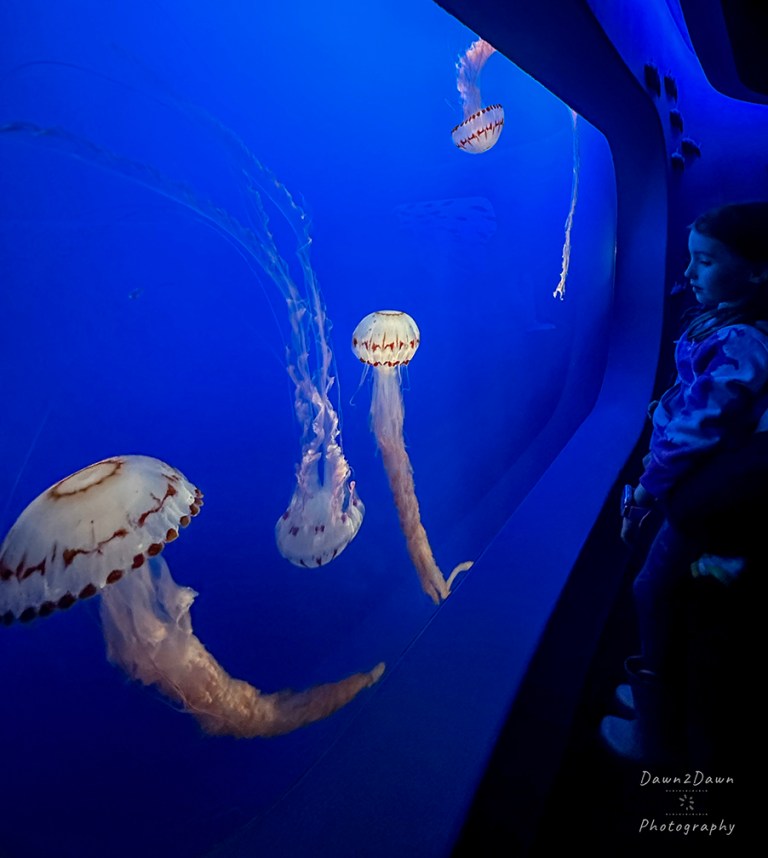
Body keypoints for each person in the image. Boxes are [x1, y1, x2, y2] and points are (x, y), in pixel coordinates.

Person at [600, 201, 768, 764]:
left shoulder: (745, 343)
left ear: (757, 270)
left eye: (705, 261)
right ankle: (659, 679)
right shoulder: (722, 319)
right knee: (664, 591)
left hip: (701, 495)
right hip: (693, 484)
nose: (689, 273)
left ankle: (658, 727)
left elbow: (700, 426)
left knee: (653, 590)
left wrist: (646, 489)